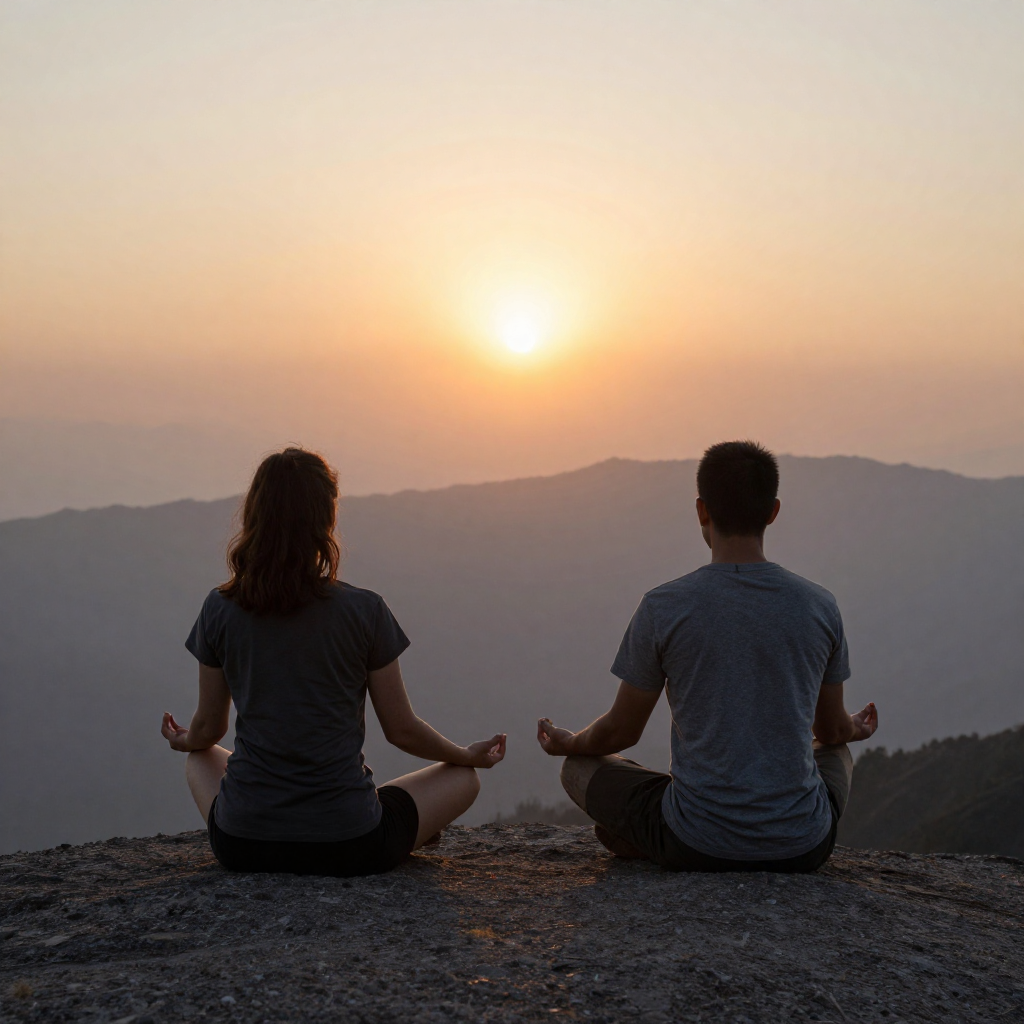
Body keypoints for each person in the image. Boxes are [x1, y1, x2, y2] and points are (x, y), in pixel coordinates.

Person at [161, 447, 506, 876]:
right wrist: (463, 754)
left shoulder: (220, 607)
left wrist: (182, 740)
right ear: (326, 520)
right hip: (350, 845)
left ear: (255, 515)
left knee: (200, 755)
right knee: (463, 779)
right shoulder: (364, 610)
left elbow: (209, 729)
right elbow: (401, 730)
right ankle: (405, 826)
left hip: (243, 844)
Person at [537, 440, 877, 872]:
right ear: (773, 511)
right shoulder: (819, 605)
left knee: (577, 769)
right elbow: (829, 730)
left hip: (695, 843)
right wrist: (856, 729)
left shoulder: (664, 607)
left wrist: (573, 742)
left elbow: (620, 732)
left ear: (702, 511)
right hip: (802, 847)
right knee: (838, 752)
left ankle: (649, 836)